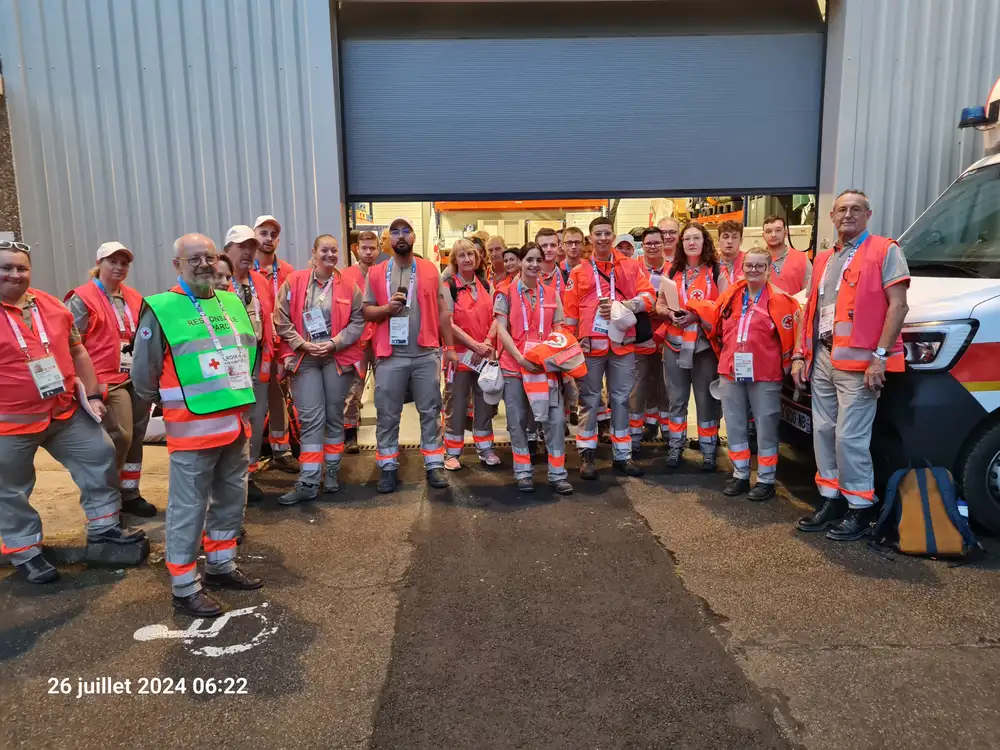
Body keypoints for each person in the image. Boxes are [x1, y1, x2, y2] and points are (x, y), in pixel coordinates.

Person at [0, 241, 146, 584]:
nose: (15, 274)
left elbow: (78, 351)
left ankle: (105, 527)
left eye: (21, 267)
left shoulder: (49, 305)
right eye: (6, 267)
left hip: (63, 412)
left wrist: (93, 394)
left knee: (101, 452)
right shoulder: (80, 296)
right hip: (11, 424)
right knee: (11, 488)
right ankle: (25, 551)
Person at [132, 233, 261, 616]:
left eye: (208, 257)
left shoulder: (231, 302)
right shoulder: (161, 309)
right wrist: (178, 401)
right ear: (177, 265)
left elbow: (247, 354)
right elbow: (143, 377)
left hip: (235, 427)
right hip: (193, 432)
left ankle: (221, 565)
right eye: (194, 259)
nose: (204, 264)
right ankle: (185, 585)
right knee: (189, 509)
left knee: (230, 501)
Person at [793, 190, 909, 541]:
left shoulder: (885, 250)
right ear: (831, 216)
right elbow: (810, 310)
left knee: (849, 438)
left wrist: (880, 356)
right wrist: (801, 353)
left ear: (868, 214)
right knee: (824, 432)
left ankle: (860, 506)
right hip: (824, 358)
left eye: (855, 209)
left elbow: (898, 306)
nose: (848, 215)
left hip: (860, 365)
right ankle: (831, 500)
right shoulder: (826, 258)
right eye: (842, 209)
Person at [689, 247, 800, 500]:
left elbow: (791, 338)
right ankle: (739, 474)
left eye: (759, 266)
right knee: (736, 423)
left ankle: (766, 479)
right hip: (730, 368)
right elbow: (715, 318)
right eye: (749, 265)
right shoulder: (732, 295)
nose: (753, 270)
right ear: (743, 267)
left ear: (769, 269)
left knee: (765, 426)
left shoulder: (781, 301)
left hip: (765, 374)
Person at [363, 217, 457, 493]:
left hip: (425, 353)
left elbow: (443, 312)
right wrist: (386, 310)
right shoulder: (377, 273)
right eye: (395, 232)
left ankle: (434, 464)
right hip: (390, 356)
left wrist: (450, 348)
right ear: (388, 241)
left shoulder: (429, 270)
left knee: (430, 411)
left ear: (414, 237)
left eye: (406, 231)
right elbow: (366, 311)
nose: (400, 236)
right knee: (387, 414)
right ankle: (389, 467)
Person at [64, 242, 155, 517]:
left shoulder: (134, 297)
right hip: (104, 378)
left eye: (124, 263)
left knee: (137, 435)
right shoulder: (82, 297)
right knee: (120, 435)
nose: (118, 267)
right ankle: (106, 495)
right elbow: (70, 343)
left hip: (134, 376)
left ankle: (130, 493)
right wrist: (82, 385)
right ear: (99, 263)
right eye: (112, 261)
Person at [274, 235, 364, 503]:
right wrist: (301, 343)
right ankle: (309, 481)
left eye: (334, 251)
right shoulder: (295, 281)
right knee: (312, 418)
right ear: (313, 252)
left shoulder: (350, 285)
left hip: (336, 357)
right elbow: (281, 317)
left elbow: (358, 321)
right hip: (304, 357)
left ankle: (333, 473)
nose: (330, 255)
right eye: (324, 250)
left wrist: (335, 343)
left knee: (334, 414)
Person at [564, 216, 654, 479]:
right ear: (589, 239)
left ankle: (622, 455)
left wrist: (627, 306)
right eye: (598, 234)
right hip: (590, 347)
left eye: (607, 233)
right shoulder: (578, 272)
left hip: (622, 344)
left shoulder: (631, 266)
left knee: (621, 400)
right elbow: (570, 315)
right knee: (589, 401)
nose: (603, 238)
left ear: (613, 236)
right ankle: (587, 455)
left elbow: (649, 296)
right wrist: (572, 345)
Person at [494, 243, 573, 495]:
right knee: (517, 422)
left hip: (544, 367)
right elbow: (501, 329)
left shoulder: (551, 294)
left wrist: (550, 353)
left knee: (554, 420)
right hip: (513, 367)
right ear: (520, 262)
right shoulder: (504, 292)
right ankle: (523, 473)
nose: (534, 265)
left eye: (538, 260)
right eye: (529, 259)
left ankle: (558, 473)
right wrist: (520, 358)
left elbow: (559, 328)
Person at [657, 221, 721, 471]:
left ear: (704, 242)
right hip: (674, 344)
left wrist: (698, 316)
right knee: (677, 399)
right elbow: (659, 304)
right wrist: (670, 315)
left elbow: (724, 307)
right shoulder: (673, 271)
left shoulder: (717, 271)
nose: (691, 242)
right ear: (681, 244)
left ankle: (708, 449)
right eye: (687, 239)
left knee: (705, 399)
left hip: (704, 347)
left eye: (696, 238)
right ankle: (675, 446)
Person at [223, 225, 276, 505]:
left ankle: (249, 474)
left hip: (258, 360)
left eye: (251, 247)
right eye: (241, 246)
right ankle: (230, 476)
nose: (247, 252)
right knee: (234, 418)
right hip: (229, 363)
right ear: (227, 249)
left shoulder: (261, 281)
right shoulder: (218, 282)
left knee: (256, 419)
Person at [442, 238, 500, 471]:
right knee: (455, 404)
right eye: (461, 255)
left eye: (470, 255)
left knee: (484, 403)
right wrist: (474, 345)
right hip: (460, 357)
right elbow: (448, 322)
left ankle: (485, 448)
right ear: (454, 261)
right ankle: (452, 452)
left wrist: (486, 343)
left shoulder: (487, 285)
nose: (466, 259)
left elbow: (498, 317)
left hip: (484, 356)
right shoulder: (449, 286)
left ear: (477, 259)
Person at [253, 214, 298, 473]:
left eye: (273, 235)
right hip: (253, 348)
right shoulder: (245, 272)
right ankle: (254, 450)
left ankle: (281, 448)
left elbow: (294, 312)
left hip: (280, 345)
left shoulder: (289, 273)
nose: (268, 239)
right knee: (253, 402)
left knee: (279, 397)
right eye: (263, 233)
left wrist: (289, 350)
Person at [629, 227, 670, 448]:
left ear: (664, 244)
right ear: (642, 246)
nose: (652, 246)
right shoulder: (633, 268)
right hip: (641, 333)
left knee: (664, 384)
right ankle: (635, 432)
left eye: (657, 242)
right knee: (638, 383)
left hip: (666, 333)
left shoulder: (674, 270)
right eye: (648, 243)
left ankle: (666, 428)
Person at [342, 230, 379, 454]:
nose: (368, 252)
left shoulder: (385, 272)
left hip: (382, 339)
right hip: (356, 342)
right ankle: (350, 435)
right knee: (353, 389)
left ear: (378, 250)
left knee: (386, 388)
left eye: (372, 248)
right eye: (364, 248)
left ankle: (387, 433)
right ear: (357, 248)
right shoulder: (346, 275)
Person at [762, 214, 812, 295]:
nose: (773, 234)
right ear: (763, 236)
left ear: (785, 233)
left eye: (778, 230)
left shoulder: (801, 259)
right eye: (768, 231)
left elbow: (809, 291)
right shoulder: (756, 260)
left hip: (793, 307)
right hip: (762, 307)